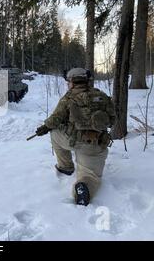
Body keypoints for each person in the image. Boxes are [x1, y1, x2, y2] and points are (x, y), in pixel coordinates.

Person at [35, 68, 116, 206]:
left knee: (54, 132)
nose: (68, 84)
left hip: (74, 141)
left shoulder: (69, 97)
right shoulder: (102, 96)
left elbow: (55, 119)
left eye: (68, 82)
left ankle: (65, 166)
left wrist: (45, 127)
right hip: (96, 145)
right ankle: (84, 186)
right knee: (91, 176)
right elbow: (112, 120)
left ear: (72, 82)